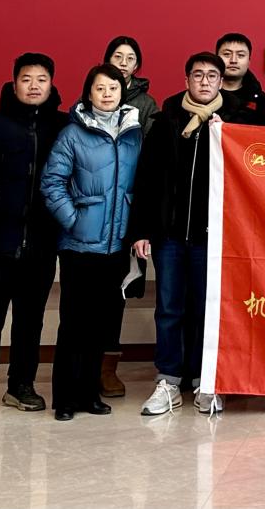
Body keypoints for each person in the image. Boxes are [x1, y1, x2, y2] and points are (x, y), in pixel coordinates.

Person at [0, 52, 67, 419]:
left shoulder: (63, 126)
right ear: (14, 83)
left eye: (41, 79)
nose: (34, 86)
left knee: (30, 320)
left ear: (51, 84)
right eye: (26, 79)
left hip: (42, 243)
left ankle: (21, 385)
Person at [40, 64, 143, 421]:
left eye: (113, 88)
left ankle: (89, 394)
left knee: (101, 324)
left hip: (116, 246)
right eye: (100, 88)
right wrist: (74, 220)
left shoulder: (133, 133)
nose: (107, 94)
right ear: (89, 93)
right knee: (73, 323)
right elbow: (51, 183)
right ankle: (65, 398)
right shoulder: (72, 133)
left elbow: (139, 186)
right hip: (79, 246)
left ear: (122, 92)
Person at [131, 52, 231, 417]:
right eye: (198, 75)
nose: (204, 81)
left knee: (207, 310)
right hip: (169, 235)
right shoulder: (166, 121)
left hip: (211, 238)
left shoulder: (231, 124)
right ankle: (169, 380)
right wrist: (141, 230)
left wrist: (225, 135)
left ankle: (205, 381)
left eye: (212, 76)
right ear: (186, 80)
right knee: (169, 309)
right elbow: (146, 179)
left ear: (221, 83)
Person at [99, 34, 156, 396]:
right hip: (92, 214)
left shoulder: (146, 106)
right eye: (117, 56)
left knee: (117, 292)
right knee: (87, 293)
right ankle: (82, 364)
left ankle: (108, 368)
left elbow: (148, 160)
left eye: (129, 58)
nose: (122, 63)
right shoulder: (88, 100)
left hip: (128, 211)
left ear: (137, 66)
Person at [215, 32, 265, 125]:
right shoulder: (204, 94)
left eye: (240, 55)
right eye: (227, 54)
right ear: (216, 58)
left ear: (249, 60)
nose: (233, 60)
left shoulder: (262, 100)